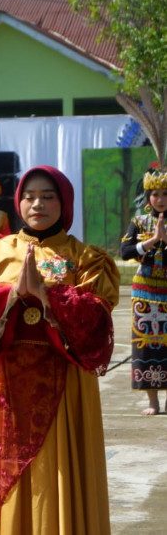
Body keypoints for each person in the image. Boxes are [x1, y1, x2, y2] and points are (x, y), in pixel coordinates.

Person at [0, 165, 118, 534]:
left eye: (48, 196)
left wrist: (48, 298)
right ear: (18, 201)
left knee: (60, 467)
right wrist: (11, 295)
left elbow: (98, 317)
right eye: (29, 196)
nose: (37, 203)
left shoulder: (85, 257)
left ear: (65, 203)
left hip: (65, 381)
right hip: (8, 384)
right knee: (12, 470)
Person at [120, 166, 167, 415]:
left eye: (165, 194)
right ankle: (153, 401)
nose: (160, 199)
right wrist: (151, 240)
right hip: (145, 292)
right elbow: (125, 252)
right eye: (155, 194)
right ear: (148, 197)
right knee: (146, 344)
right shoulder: (139, 221)